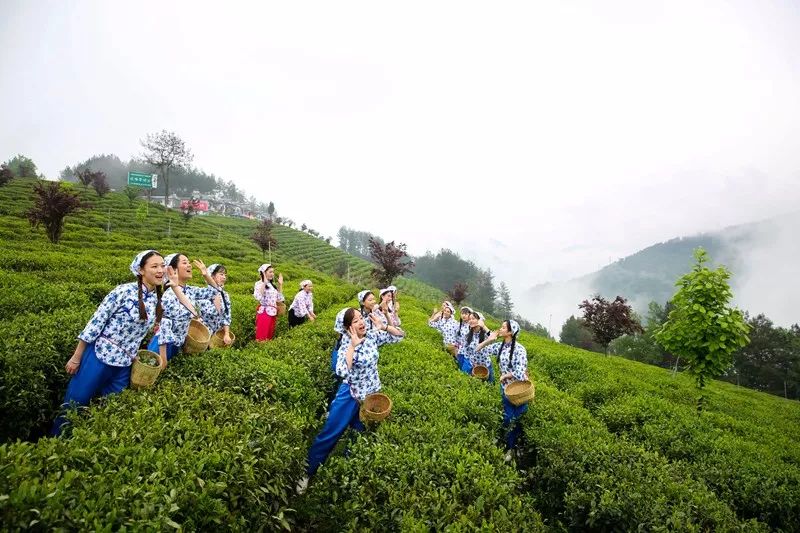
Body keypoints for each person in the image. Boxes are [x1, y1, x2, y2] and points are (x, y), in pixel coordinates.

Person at [51, 250, 167, 436]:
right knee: (75, 403)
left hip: (125, 363)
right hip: (99, 355)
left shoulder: (157, 299)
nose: (160, 270)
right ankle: (56, 441)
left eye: (162, 265)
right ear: (140, 270)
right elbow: (95, 323)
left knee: (110, 409)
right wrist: (76, 357)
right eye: (154, 266)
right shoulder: (122, 291)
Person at [299, 307, 404, 491]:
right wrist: (352, 346)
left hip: (370, 395)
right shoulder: (347, 345)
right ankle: (308, 471)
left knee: (359, 433)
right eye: (355, 321)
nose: (362, 322)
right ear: (347, 327)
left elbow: (400, 336)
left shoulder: (371, 336)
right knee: (331, 432)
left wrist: (384, 326)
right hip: (350, 395)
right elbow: (341, 371)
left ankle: (349, 470)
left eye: (361, 318)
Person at [147, 253, 220, 361]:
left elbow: (214, 291)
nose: (189, 265)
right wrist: (163, 358)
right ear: (173, 270)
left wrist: (206, 274)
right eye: (184, 262)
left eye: (189, 262)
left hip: (177, 345)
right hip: (163, 346)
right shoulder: (169, 294)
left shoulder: (189, 290)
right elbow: (165, 326)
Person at [476, 319, 529, 451]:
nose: (500, 329)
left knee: (516, 419)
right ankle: (508, 445)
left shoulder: (519, 349)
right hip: (505, 388)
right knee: (507, 418)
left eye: (504, 327)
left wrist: (505, 375)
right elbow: (478, 350)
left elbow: (520, 371)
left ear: (511, 332)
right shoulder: (500, 346)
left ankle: (513, 447)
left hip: (519, 390)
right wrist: (490, 339)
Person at [197, 263, 232, 346]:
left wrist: (226, 334)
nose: (224, 277)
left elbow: (227, 317)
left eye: (225, 275)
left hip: (217, 336)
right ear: (211, 276)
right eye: (221, 274)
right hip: (202, 335)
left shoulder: (225, 295)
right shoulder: (202, 293)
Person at [254, 263, 285, 341]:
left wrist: (280, 285)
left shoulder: (271, 285)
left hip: (273, 313)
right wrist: (264, 283)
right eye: (270, 272)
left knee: (269, 336)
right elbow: (258, 297)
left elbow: (279, 298)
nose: (272, 274)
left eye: (273, 272)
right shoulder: (258, 284)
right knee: (262, 337)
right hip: (264, 313)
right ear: (264, 273)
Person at [457, 312, 490, 377]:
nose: (471, 321)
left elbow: (494, 337)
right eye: (469, 319)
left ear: (480, 320)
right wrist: (470, 362)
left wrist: (484, 326)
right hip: (470, 362)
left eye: (473, 318)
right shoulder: (467, 335)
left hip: (484, 364)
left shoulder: (485, 334)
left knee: (488, 384)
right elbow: (465, 351)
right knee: (464, 377)